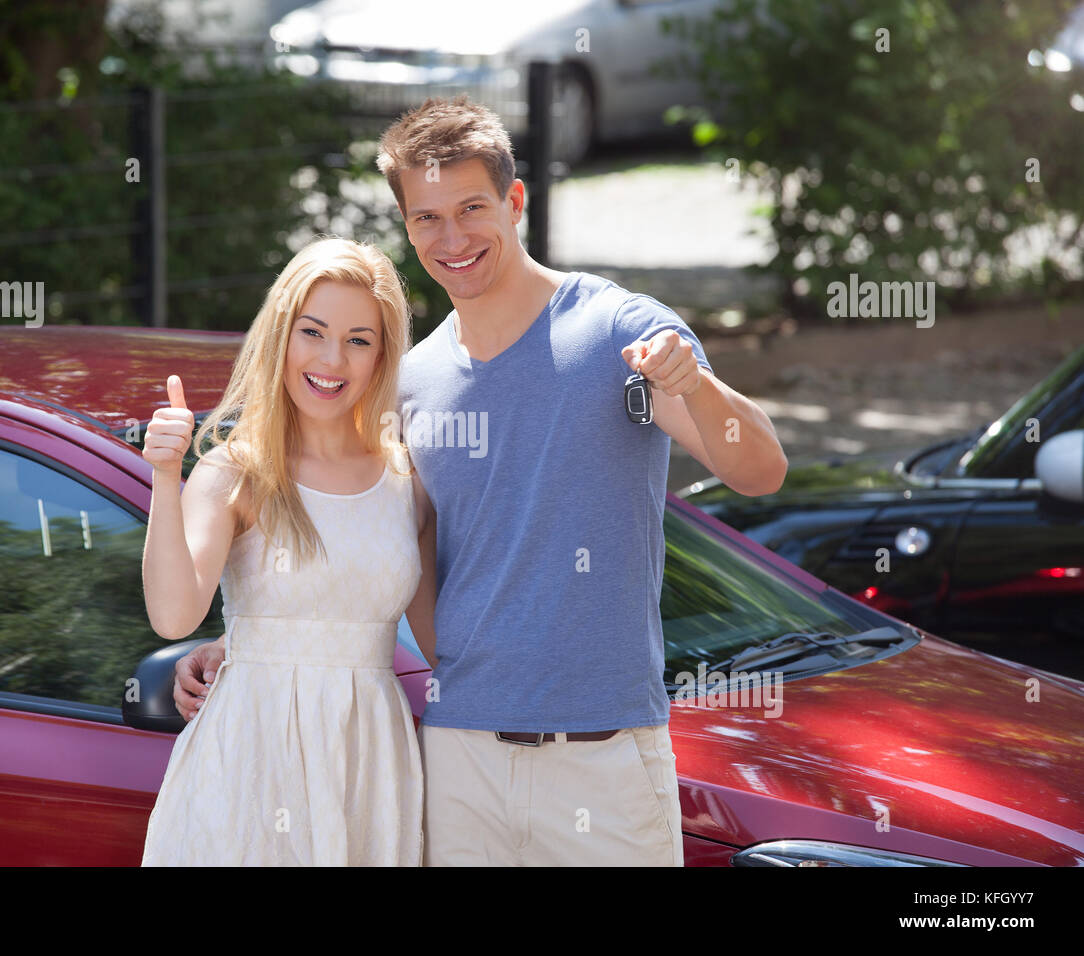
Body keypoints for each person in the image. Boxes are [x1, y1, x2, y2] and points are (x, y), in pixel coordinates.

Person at [173, 96, 787, 866]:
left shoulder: (616, 332)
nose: (453, 237)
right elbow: (369, 542)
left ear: (515, 200)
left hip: (603, 758)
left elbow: (760, 470)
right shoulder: (408, 383)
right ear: (407, 227)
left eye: (471, 208)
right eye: (427, 217)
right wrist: (246, 641)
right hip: (457, 759)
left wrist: (693, 383)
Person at [138, 236, 437, 866]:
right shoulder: (233, 472)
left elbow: (446, 645)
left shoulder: (408, 481)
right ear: (281, 334)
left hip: (371, 764)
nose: (333, 359)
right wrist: (166, 475)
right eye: (313, 331)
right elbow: (173, 616)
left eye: (359, 339)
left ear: (383, 354)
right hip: (251, 760)